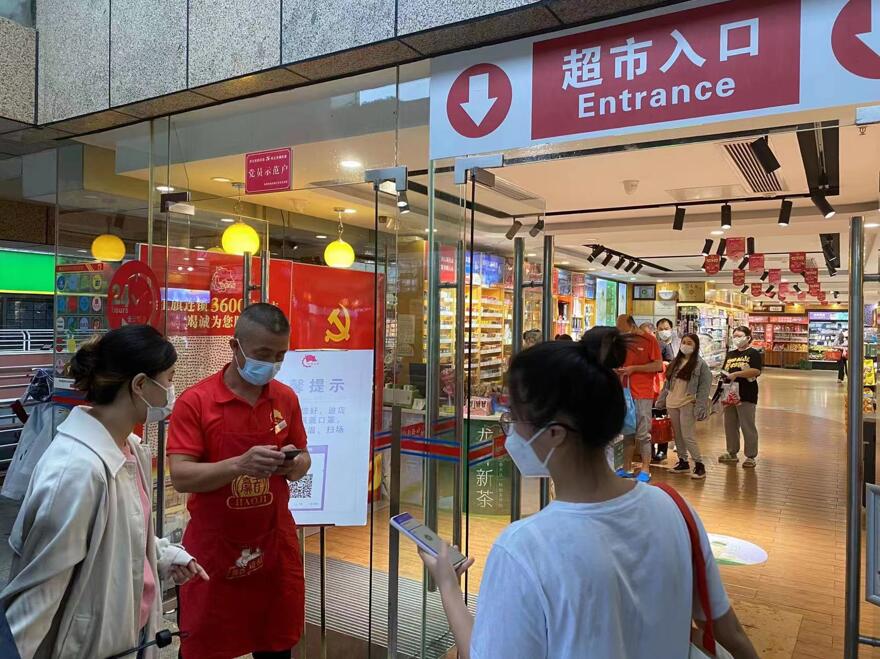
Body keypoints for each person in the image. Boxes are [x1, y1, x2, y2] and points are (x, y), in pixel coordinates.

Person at [418, 328, 758, 659]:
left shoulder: (524, 548)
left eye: (514, 419)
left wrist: (448, 584)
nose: (510, 432)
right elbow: (731, 633)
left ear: (554, 434)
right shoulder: (673, 508)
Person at [1, 325, 207, 659]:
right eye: (169, 379)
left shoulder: (130, 448)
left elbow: (121, 533)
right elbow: (36, 596)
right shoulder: (76, 471)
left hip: (128, 637)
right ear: (140, 385)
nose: (173, 392)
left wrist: (163, 555)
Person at [168, 303, 310, 659]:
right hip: (215, 550)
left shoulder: (285, 398)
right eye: (263, 354)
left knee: (276, 643)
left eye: (280, 356)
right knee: (205, 645)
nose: (272, 363)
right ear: (235, 347)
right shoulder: (196, 402)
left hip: (274, 544)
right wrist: (238, 465)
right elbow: (181, 476)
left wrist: (292, 464)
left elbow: (304, 459)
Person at [656, 334, 713, 480]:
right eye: (684, 342)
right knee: (677, 435)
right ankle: (683, 461)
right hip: (672, 403)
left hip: (687, 403)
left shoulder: (700, 365)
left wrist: (700, 406)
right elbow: (667, 385)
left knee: (688, 435)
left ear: (695, 346)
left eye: (690, 343)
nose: (686, 345)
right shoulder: (676, 362)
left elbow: (704, 387)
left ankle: (699, 464)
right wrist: (661, 401)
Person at [615, 314, 663, 482]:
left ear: (632, 325)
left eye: (622, 328)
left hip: (643, 392)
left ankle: (645, 468)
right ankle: (626, 467)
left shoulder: (649, 340)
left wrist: (634, 368)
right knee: (627, 430)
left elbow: (658, 365)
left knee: (643, 433)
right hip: (625, 391)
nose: (621, 332)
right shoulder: (622, 342)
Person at [719, 326, 763, 468]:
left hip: (746, 394)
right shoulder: (730, 354)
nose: (736, 339)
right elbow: (725, 370)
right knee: (730, 425)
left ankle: (751, 456)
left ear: (748, 337)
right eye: (735, 336)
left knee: (747, 425)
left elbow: (756, 371)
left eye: (739, 336)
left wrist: (737, 374)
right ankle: (732, 452)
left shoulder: (753, 353)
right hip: (729, 394)